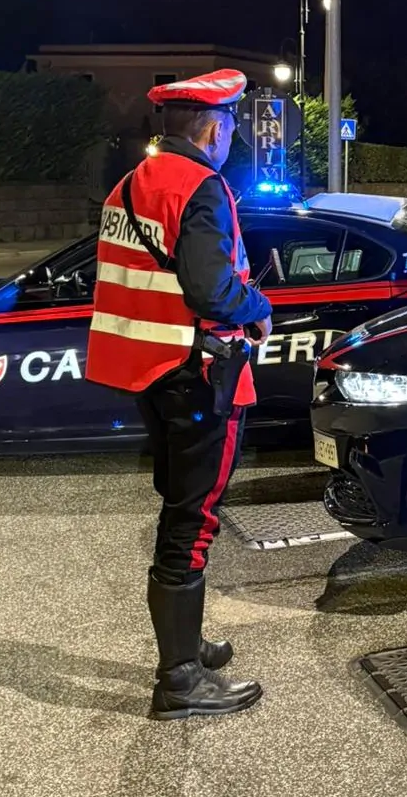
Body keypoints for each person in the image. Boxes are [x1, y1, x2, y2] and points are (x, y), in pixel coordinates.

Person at [84, 68, 273, 721]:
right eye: (231, 125)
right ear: (213, 129)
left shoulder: (130, 183)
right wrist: (259, 305)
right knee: (192, 524)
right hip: (197, 375)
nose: (232, 137)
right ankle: (180, 681)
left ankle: (185, 647)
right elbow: (210, 290)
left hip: (151, 372)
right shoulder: (201, 186)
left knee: (179, 510)